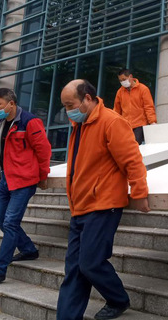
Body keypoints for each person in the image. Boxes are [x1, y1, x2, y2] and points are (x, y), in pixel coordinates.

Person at [57, 79, 150, 320]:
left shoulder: (111, 121)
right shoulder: (79, 125)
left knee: (90, 263)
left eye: (70, 105)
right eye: (65, 106)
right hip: (80, 206)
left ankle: (118, 299)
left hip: (103, 205)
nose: (68, 111)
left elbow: (132, 160)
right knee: (73, 269)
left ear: (87, 98)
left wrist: (139, 193)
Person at [0, 88, 51, 288]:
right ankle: (28, 249)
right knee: (0, 219)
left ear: (11, 103)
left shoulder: (30, 121)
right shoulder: (1, 121)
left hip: (24, 181)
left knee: (10, 223)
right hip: (5, 179)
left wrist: (43, 176)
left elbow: (44, 150)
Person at [113, 68, 157, 145]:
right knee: (125, 147)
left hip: (139, 125)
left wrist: (152, 122)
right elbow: (117, 110)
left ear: (130, 76)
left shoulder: (143, 89)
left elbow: (149, 107)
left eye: (124, 79)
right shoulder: (120, 92)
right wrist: (114, 125)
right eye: (120, 81)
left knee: (134, 145)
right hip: (125, 126)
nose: (122, 82)